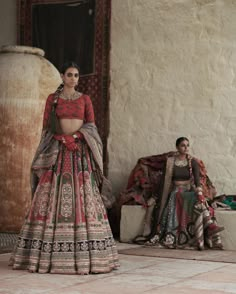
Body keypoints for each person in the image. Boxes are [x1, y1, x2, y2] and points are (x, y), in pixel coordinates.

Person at [9, 61, 119, 274]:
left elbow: (91, 126)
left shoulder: (85, 99)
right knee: (50, 194)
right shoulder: (53, 99)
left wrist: (76, 137)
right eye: (70, 75)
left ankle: (90, 254)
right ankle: (44, 253)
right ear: (62, 76)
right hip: (58, 151)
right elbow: (46, 127)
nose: (73, 79)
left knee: (83, 193)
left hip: (79, 152)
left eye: (76, 75)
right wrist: (61, 138)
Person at [119, 137, 224, 250]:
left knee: (200, 201)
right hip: (175, 192)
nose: (186, 148)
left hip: (188, 191)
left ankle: (210, 226)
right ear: (177, 147)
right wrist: (155, 197)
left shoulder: (192, 161)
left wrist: (199, 193)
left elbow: (198, 181)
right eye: (183, 145)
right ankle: (209, 226)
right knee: (177, 195)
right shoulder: (170, 162)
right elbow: (163, 181)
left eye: (187, 145)